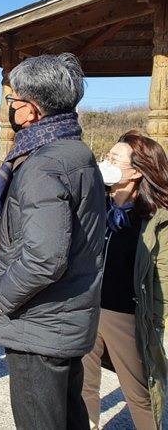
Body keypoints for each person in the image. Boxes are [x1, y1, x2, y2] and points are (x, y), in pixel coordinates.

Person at [0, 53, 107, 429]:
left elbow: (44, 258)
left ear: (31, 110)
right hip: (64, 319)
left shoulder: (43, 164)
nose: (10, 108)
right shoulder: (76, 152)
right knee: (68, 418)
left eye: (13, 100)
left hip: (39, 323)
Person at [82, 131, 168, 429]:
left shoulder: (155, 219)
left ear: (136, 171)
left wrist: (155, 321)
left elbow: (162, 277)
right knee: (84, 386)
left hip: (125, 315)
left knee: (139, 392)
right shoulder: (96, 206)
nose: (106, 162)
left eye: (114, 159)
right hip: (86, 307)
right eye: (106, 157)